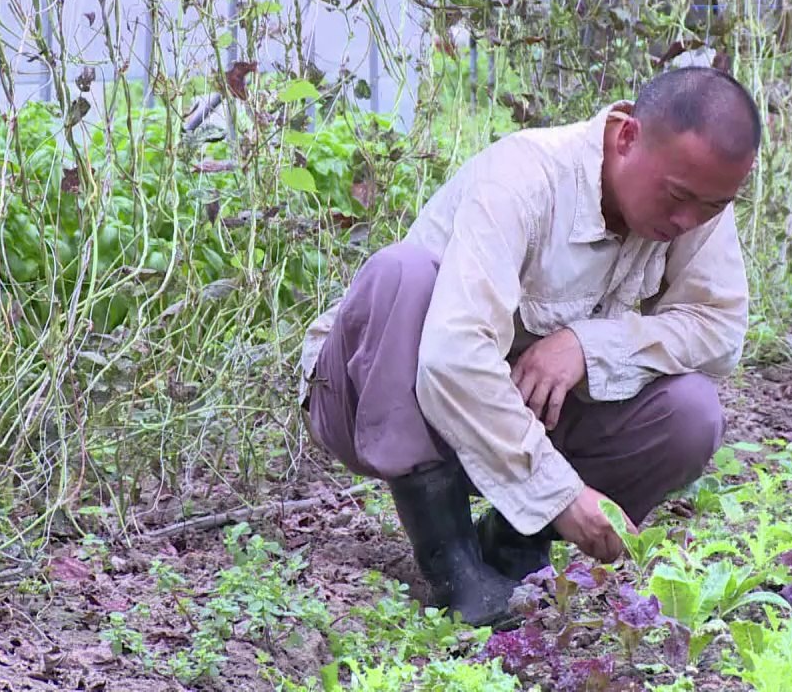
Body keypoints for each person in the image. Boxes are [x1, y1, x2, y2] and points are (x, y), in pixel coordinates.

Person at [297, 66, 761, 628]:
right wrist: (560, 494)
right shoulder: (525, 175)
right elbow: (451, 359)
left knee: (691, 413)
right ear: (626, 137)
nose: (688, 221)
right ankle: (451, 561)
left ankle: (515, 547)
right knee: (406, 273)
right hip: (368, 398)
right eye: (677, 197)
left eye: (711, 206)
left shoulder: (699, 199)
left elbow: (719, 330)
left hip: (509, 422)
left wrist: (588, 346)